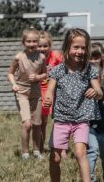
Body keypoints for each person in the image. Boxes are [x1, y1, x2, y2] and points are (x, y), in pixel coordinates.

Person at [44, 28, 103, 182]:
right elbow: (49, 90)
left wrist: (95, 92)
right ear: (67, 48)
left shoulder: (89, 70)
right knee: (55, 158)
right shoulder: (58, 70)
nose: (80, 51)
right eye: (76, 47)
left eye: (83, 48)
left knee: (80, 153)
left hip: (81, 120)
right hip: (62, 119)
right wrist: (48, 98)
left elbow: (99, 91)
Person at [7, 28, 47, 159]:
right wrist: (13, 84)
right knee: (27, 124)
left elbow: (45, 74)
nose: (32, 44)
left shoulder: (41, 57)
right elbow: (10, 73)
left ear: (38, 42)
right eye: (28, 41)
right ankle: (25, 153)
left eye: (34, 41)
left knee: (37, 124)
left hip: (36, 93)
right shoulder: (19, 57)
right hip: (22, 92)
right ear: (24, 42)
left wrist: (38, 77)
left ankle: (36, 151)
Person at [37, 31, 63, 154]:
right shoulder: (33, 58)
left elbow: (66, 69)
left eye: (45, 46)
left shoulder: (56, 56)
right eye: (39, 46)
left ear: (50, 46)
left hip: (56, 92)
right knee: (42, 121)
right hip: (39, 92)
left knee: (60, 121)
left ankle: (60, 148)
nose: (42, 48)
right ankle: (41, 147)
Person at [87, 42, 104, 182]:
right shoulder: (84, 75)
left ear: (102, 57)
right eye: (90, 57)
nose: (93, 60)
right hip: (90, 123)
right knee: (92, 152)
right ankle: (89, 179)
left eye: (96, 57)